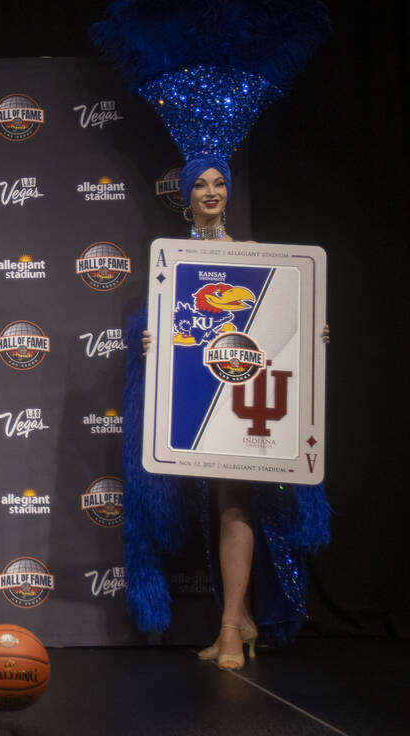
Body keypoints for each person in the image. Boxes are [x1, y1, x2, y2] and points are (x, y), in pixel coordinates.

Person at [130, 159, 330, 671]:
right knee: (215, 508)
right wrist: (147, 338)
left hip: (243, 396)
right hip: (196, 402)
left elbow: (284, 320)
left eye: (219, 183)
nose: (211, 191)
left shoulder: (254, 254)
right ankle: (241, 621)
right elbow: (169, 330)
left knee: (232, 502)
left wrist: (313, 333)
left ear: (229, 193)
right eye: (200, 184)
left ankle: (230, 631)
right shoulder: (170, 261)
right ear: (185, 197)